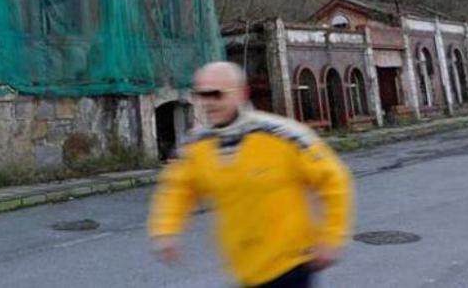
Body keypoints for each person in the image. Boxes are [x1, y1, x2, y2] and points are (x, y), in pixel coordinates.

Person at [148, 61, 353, 287]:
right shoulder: (197, 146)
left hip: (291, 265)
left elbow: (334, 179)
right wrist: (165, 231)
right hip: (244, 271)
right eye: (202, 95)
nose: (208, 103)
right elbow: (177, 188)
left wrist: (331, 237)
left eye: (216, 94)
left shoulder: (283, 135)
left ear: (242, 93)